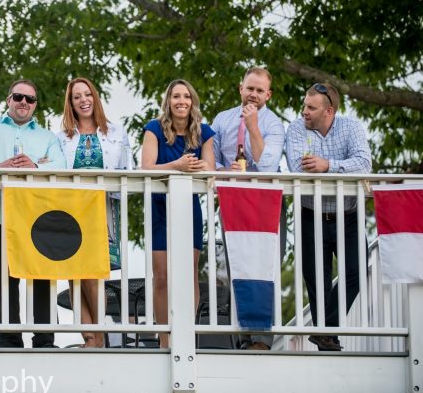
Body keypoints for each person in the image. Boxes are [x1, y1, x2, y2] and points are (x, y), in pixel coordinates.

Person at [0, 79, 66, 348]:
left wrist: (34, 166)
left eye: (30, 99)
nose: (24, 102)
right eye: (18, 97)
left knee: (42, 277)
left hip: (36, 217)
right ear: (8, 99)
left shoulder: (47, 137)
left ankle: (45, 339)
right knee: (5, 282)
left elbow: (60, 162)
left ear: (35, 105)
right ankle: (10, 339)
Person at [285, 82, 371, 351]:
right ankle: (327, 340)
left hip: (349, 215)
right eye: (304, 106)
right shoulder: (297, 128)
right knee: (316, 280)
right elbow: (298, 165)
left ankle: (325, 330)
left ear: (329, 111)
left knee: (356, 273)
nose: (304, 112)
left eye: (311, 108)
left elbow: (364, 164)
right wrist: (332, 168)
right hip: (311, 214)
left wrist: (328, 165)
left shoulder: (352, 127)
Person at [211, 66, 285, 350]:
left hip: (266, 201)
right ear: (240, 88)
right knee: (236, 268)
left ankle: (261, 340)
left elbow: (266, 165)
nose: (253, 94)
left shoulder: (274, 124)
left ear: (268, 94)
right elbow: (211, 161)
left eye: (259, 90)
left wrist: (253, 126)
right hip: (233, 201)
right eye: (249, 88)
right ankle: (242, 338)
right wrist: (222, 169)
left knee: (264, 268)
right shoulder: (222, 119)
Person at [57, 77, 132, 348]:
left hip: (101, 208)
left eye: (87, 94)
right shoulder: (62, 137)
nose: (83, 100)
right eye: (77, 96)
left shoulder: (115, 133)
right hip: (70, 210)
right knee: (73, 272)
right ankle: (89, 338)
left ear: (95, 97)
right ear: (71, 103)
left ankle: (99, 335)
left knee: (95, 272)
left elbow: (128, 173)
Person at [141, 79, 215, 348]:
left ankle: (185, 335)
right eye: (176, 96)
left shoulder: (204, 131)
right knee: (161, 276)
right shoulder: (154, 128)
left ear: (192, 101)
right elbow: (146, 167)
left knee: (189, 273)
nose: (181, 101)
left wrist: (200, 166)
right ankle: (164, 339)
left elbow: (210, 171)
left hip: (188, 207)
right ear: (168, 102)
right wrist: (178, 165)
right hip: (159, 205)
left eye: (186, 96)